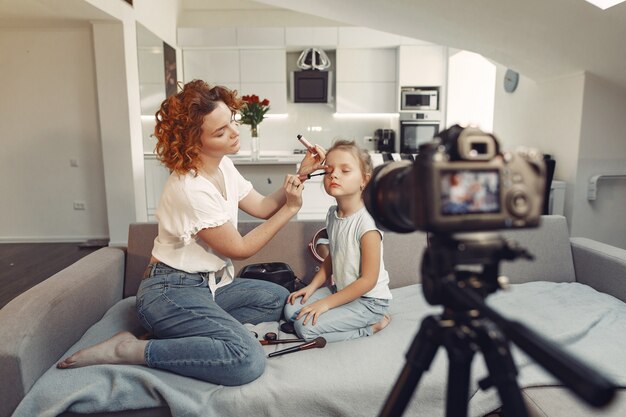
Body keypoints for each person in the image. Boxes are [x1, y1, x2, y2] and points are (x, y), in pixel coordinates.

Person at [57, 80, 325, 386]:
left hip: (209, 287)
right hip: (169, 290)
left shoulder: (223, 166)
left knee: (277, 298)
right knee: (246, 359)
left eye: (231, 122)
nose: (234, 133)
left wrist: (302, 173)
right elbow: (240, 249)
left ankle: (182, 330)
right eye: (221, 132)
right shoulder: (190, 188)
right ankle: (129, 349)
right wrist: (291, 209)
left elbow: (263, 206)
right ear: (193, 143)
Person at [284, 140, 392, 343]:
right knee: (291, 310)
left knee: (304, 328)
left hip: (369, 301)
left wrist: (326, 304)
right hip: (342, 290)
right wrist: (313, 287)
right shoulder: (333, 214)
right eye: (329, 170)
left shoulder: (367, 223)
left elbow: (367, 281)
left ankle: (373, 325)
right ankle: (337, 307)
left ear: (365, 181)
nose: (334, 175)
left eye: (345, 170)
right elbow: (334, 256)